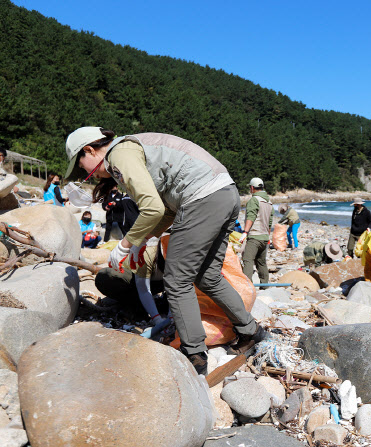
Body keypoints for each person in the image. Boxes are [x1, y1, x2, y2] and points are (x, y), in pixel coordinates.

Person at [63, 127, 265, 375]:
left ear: (89, 150)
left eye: (82, 165)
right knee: (208, 277)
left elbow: (152, 208)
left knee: (177, 280)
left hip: (201, 198)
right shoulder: (134, 148)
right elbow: (167, 210)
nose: (86, 172)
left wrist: (125, 244)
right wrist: (142, 240)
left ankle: (194, 357)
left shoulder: (119, 154)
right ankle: (251, 332)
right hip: (225, 194)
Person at [96, 237, 169, 330]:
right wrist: (157, 319)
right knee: (106, 276)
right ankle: (135, 304)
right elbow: (144, 290)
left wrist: (172, 315)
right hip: (133, 280)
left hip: (158, 283)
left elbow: (178, 287)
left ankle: (151, 304)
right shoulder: (147, 253)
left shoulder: (183, 257)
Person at [239, 178, 273, 286]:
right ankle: (265, 285)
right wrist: (268, 236)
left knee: (247, 259)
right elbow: (270, 222)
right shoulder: (269, 202)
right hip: (265, 237)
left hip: (255, 236)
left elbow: (251, 217)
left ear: (252, 188)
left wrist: (245, 232)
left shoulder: (254, 200)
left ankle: (248, 286)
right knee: (261, 262)